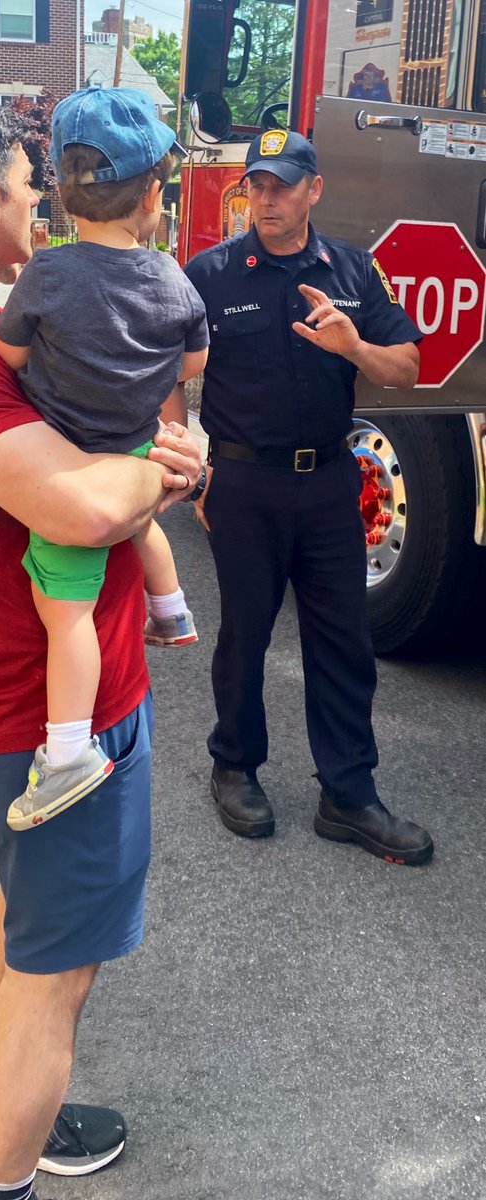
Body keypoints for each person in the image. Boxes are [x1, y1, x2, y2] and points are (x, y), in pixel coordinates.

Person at [0, 91, 203, 1200]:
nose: (40, 205)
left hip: (51, 695)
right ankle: (1, 1171)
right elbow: (77, 510)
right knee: (55, 978)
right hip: (56, 718)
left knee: (24, 923)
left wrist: (133, 465)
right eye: (24, 186)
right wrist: (166, 470)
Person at [184, 129, 434, 867]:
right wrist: (188, 468)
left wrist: (352, 345)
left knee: (343, 642)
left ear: (313, 191)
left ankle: (348, 795)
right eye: (257, 185)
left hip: (328, 482)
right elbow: (168, 366)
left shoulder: (355, 271)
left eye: (283, 184)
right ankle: (233, 767)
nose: (266, 197)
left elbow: (407, 370)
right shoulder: (210, 274)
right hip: (242, 483)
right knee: (245, 637)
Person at [0, 87, 209, 831]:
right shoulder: (175, 279)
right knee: (144, 522)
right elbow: (191, 365)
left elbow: (10, 353)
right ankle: (172, 610)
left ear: (59, 189)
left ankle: (66, 751)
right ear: (153, 194)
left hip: (72, 466)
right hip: (136, 446)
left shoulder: (46, 274)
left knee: (67, 613)